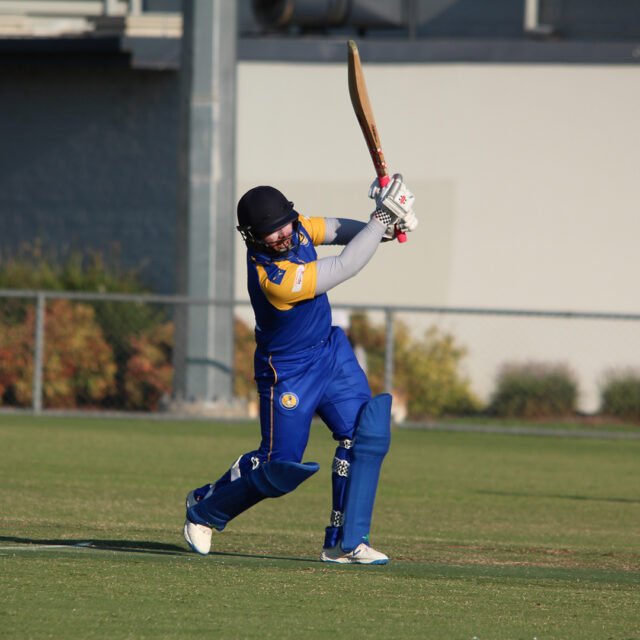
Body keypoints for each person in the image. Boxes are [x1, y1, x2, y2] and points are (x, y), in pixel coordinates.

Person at [183, 174, 417, 564]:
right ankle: (205, 512)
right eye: (269, 234)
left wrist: (387, 225)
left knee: (366, 434)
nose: (280, 237)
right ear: (253, 238)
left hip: (328, 351)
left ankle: (347, 540)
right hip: (287, 370)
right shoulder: (274, 278)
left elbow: (344, 233)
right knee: (280, 466)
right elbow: (345, 265)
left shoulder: (300, 227)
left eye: (283, 228)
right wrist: (382, 218)